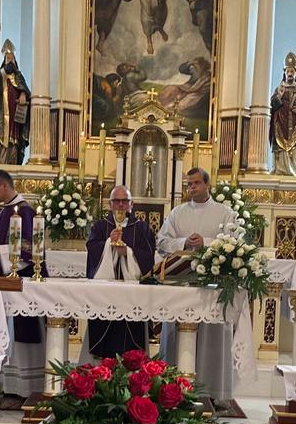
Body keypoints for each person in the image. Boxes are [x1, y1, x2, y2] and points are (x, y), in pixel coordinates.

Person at [157, 168, 237, 406]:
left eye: (196, 183)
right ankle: (172, 389)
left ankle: (211, 389)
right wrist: (184, 242)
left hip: (211, 287)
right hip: (180, 284)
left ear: (207, 185)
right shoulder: (177, 213)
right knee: (177, 339)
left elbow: (234, 243)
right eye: (189, 184)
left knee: (211, 340)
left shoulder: (224, 213)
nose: (192, 187)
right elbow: (162, 242)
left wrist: (207, 243)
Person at [0, 170, 45, 406]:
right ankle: (7, 385)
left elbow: (30, 248)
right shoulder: (5, 211)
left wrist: (0, 251)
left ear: (4, 186)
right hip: (4, 281)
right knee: (5, 331)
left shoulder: (25, 211)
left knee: (18, 335)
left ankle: (24, 387)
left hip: (20, 283)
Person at [85, 186, 156, 358]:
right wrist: (108, 244)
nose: (121, 205)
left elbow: (149, 255)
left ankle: (133, 366)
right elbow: (92, 249)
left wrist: (128, 253)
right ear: (110, 204)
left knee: (131, 338)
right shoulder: (100, 226)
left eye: (125, 201)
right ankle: (101, 367)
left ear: (132, 204)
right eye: (116, 201)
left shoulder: (142, 228)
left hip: (132, 295)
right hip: (105, 294)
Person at [0, 40, 31, 165]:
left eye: (12, 58)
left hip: (14, 113)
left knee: (13, 136)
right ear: (4, 60)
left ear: (15, 61)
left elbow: (25, 90)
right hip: (1, 111)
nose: (10, 61)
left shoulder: (18, 76)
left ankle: (12, 160)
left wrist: (23, 94)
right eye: (7, 58)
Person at [269, 52, 296, 176]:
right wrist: (279, 96)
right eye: (288, 71)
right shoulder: (279, 89)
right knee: (280, 150)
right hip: (280, 125)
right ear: (285, 73)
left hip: (294, 126)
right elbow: (272, 106)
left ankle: (294, 171)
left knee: (295, 150)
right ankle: (280, 170)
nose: (290, 73)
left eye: (292, 71)